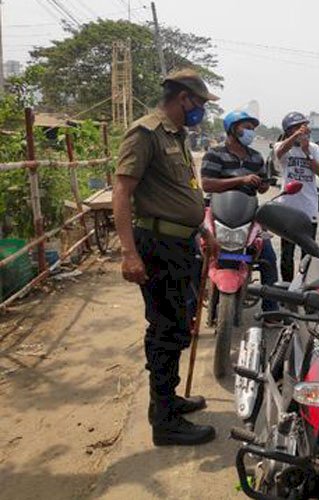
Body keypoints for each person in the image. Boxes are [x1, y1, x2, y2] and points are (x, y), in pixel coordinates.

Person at [113, 69, 220, 445]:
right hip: (157, 247)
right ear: (183, 98)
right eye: (201, 104)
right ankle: (165, 421)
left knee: (178, 325)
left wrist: (202, 229)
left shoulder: (176, 136)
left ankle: (168, 399)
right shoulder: (146, 133)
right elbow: (122, 192)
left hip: (180, 245)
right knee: (164, 329)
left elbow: (182, 191)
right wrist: (128, 253)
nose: (202, 111)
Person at [200, 110, 280, 319]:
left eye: (252, 129)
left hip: (248, 213)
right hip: (217, 212)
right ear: (233, 128)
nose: (251, 132)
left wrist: (263, 184)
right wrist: (240, 180)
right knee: (195, 255)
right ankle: (189, 311)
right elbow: (207, 183)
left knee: (268, 257)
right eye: (247, 128)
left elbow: (262, 188)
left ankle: (271, 310)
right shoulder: (215, 154)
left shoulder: (256, 157)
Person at [273, 112, 319, 282]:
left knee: (308, 255)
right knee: (287, 254)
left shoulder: (314, 148)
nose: (304, 130)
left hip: (309, 209)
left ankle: (304, 288)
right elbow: (280, 153)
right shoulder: (281, 146)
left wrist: (306, 152)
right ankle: (287, 289)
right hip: (288, 208)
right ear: (289, 131)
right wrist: (295, 137)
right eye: (298, 127)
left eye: (304, 126)